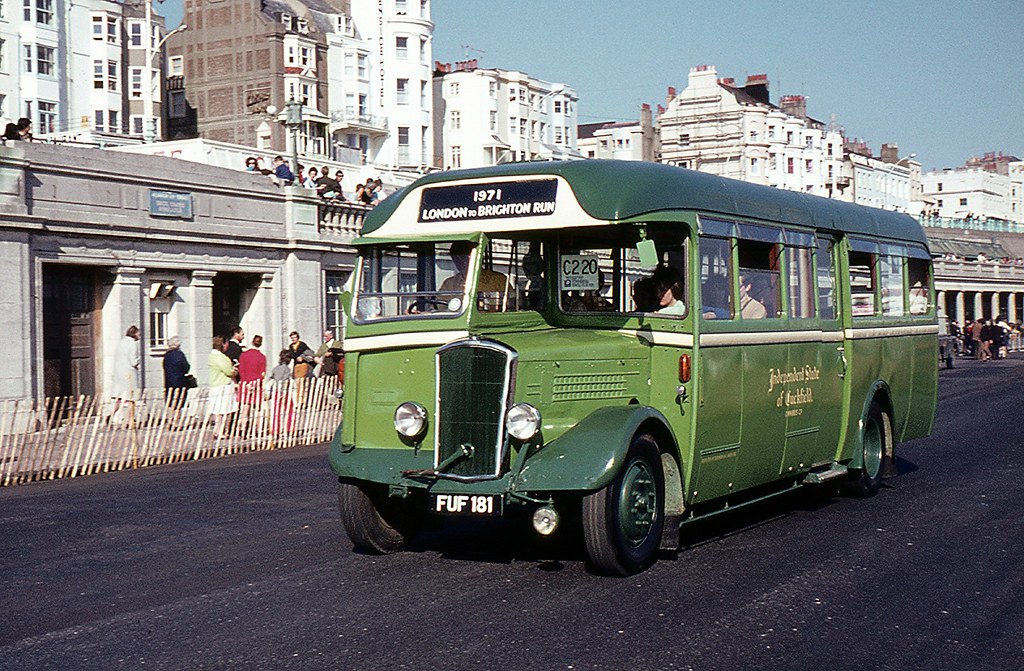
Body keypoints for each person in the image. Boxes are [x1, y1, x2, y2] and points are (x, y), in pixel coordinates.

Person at [207, 335, 238, 438]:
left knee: (217, 410)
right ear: (223, 344)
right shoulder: (221, 357)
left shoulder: (211, 356)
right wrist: (235, 370)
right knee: (224, 410)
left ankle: (217, 430)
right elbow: (229, 371)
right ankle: (221, 431)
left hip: (215, 384)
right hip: (223, 385)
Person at [110, 325, 142, 424]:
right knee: (130, 397)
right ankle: (130, 419)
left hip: (118, 373)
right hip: (129, 373)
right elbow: (133, 361)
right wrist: (139, 360)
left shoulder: (121, 342)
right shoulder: (132, 344)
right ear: (135, 334)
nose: (139, 336)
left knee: (119, 397)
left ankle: (111, 415)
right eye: (138, 334)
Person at [162, 335, 191, 413]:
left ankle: (172, 418)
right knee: (179, 401)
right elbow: (186, 366)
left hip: (169, 380)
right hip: (179, 380)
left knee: (171, 400)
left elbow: (164, 367)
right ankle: (177, 419)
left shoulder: (167, 355)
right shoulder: (179, 354)